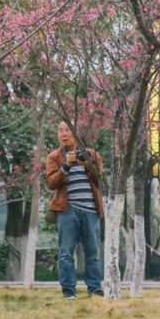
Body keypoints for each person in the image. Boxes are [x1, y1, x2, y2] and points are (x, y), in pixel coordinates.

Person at [45, 120, 105, 299]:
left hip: (91, 210)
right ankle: (69, 291)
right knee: (65, 252)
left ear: (75, 133)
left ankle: (95, 289)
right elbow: (51, 183)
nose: (63, 134)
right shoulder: (55, 157)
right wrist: (65, 167)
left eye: (67, 130)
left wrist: (86, 164)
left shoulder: (91, 154)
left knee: (92, 251)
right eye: (60, 130)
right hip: (67, 210)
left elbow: (100, 180)